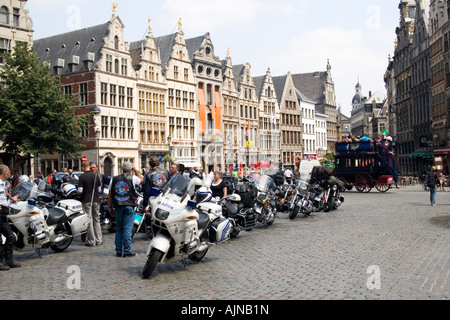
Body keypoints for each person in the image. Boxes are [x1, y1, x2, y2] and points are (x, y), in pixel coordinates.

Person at [109, 162, 143, 257]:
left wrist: (111, 207)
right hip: (129, 205)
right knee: (127, 229)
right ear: (130, 170)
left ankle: (119, 251)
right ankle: (127, 251)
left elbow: (110, 194)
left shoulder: (114, 179)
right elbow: (141, 180)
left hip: (118, 205)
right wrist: (136, 171)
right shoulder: (133, 178)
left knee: (119, 228)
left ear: (122, 169)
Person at [0, 164, 20, 271]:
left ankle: (9, 260)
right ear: (4, 172)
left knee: (10, 236)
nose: (9, 173)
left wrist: (12, 198)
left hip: (3, 212)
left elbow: (4, 195)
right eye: (7, 171)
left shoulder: (3, 183)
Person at [78, 162, 102, 247]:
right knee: (96, 219)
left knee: (88, 220)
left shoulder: (82, 177)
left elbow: (80, 190)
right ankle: (99, 240)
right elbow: (99, 189)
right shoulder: (96, 176)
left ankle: (92, 241)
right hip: (96, 200)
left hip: (86, 200)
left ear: (83, 168)